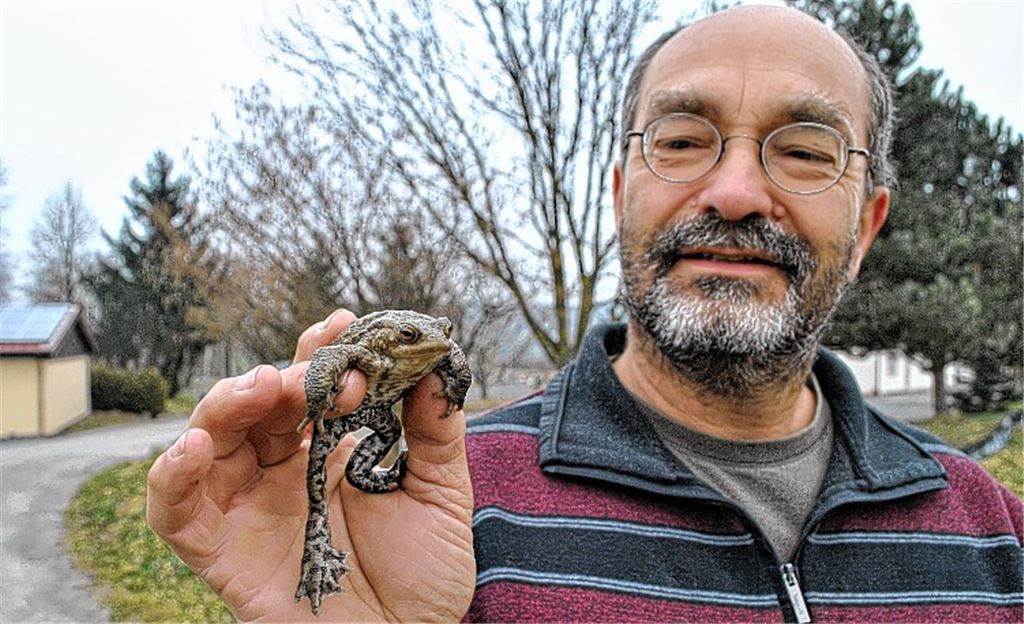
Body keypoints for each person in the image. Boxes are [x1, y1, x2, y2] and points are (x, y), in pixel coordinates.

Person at [146, 5, 1023, 622]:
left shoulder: (998, 538)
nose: (734, 190)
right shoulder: (423, 509)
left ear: (867, 224)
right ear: (618, 192)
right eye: (682, 141)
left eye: (803, 150)